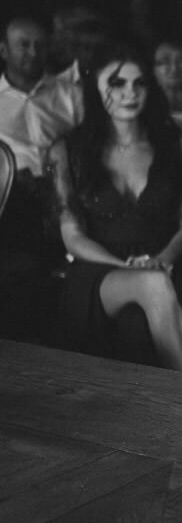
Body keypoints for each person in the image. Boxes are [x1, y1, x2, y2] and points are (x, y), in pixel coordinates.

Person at [46, 47, 182, 372]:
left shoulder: (173, 143)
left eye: (139, 83)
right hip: (98, 271)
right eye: (117, 83)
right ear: (95, 87)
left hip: (164, 260)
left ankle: (174, 399)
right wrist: (128, 267)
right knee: (153, 284)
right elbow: (72, 237)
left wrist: (162, 260)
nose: (130, 93)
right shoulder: (68, 150)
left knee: (141, 317)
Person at [0, 17, 83, 340]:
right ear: (4, 50)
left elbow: (88, 150)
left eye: (39, 45)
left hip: (64, 192)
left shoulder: (70, 95)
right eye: (23, 45)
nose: (33, 53)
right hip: (12, 201)